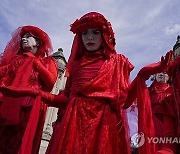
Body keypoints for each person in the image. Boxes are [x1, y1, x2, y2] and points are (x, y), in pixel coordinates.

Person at [0, 26, 58, 154]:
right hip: (8, 105)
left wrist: (36, 63)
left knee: (22, 142)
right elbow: (3, 74)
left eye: (28, 37)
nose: (24, 39)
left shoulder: (48, 61)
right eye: (23, 37)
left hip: (30, 107)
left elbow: (50, 83)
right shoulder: (16, 60)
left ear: (38, 42)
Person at [148, 72, 173, 151]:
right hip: (152, 122)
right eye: (159, 72)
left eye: (165, 72)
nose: (161, 74)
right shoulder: (148, 91)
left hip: (169, 122)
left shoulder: (173, 91)